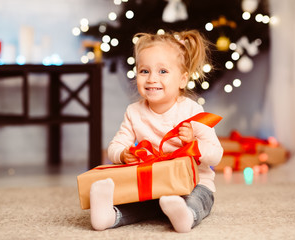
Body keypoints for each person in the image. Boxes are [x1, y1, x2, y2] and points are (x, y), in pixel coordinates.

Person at [89, 30, 223, 233]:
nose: (151, 78)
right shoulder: (134, 112)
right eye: (144, 71)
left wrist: (192, 144)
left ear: (182, 79)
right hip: (154, 186)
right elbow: (115, 146)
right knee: (137, 202)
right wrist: (123, 154)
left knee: (199, 199)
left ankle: (185, 215)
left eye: (162, 71)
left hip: (193, 184)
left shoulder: (192, 111)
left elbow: (216, 155)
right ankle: (109, 216)